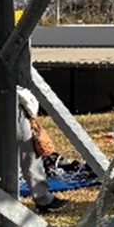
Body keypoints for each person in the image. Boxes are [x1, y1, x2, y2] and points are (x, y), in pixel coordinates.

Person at [15, 86, 68, 214]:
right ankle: (43, 199)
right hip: (13, 103)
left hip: (3, 101)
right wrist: (31, 113)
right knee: (29, 154)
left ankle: (5, 199)